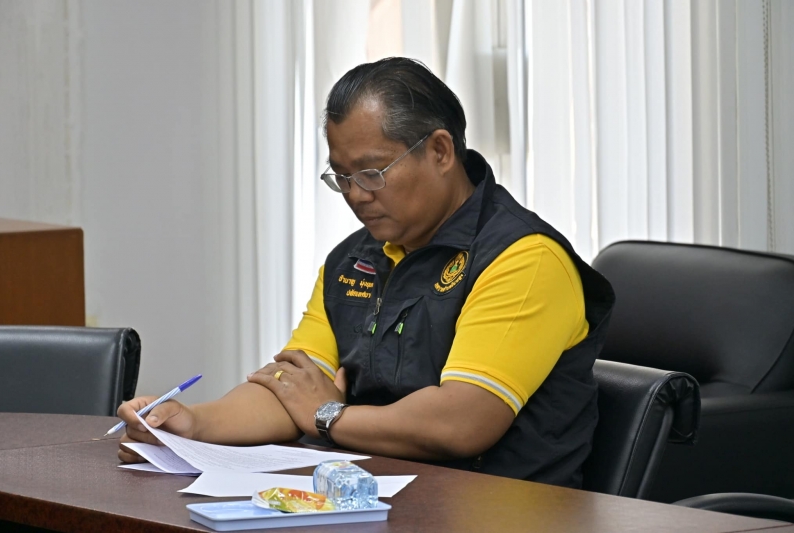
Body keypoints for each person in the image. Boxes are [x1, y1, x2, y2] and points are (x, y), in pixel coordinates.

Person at [117, 57, 614, 488]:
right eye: (342, 177)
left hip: (496, 509)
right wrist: (191, 424)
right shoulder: (354, 259)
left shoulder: (523, 258)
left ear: (440, 151)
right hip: (374, 499)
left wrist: (328, 415)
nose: (355, 195)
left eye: (372, 173)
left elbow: (461, 423)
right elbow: (291, 389)